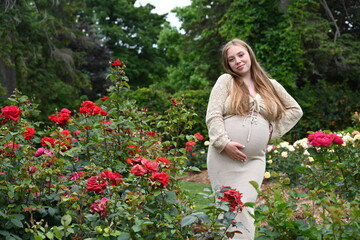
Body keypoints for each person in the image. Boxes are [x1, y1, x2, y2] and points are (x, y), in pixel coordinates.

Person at [206, 38, 303, 239]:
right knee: (226, 210)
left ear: (249, 54)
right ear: (228, 64)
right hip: (222, 157)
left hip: (253, 161)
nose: (237, 61)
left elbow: (295, 110)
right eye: (231, 59)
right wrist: (224, 143)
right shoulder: (226, 81)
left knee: (244, 206)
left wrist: (273, 130)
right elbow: (213, 115)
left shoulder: (271, 85)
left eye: (240, 55)